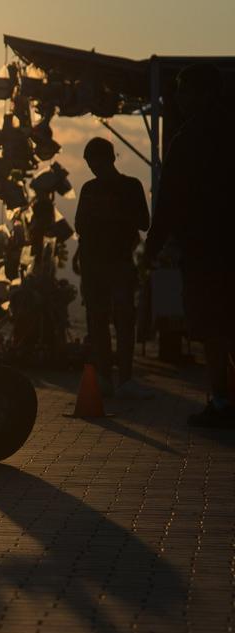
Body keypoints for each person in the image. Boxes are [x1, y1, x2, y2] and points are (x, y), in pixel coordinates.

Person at [145, 63, 235, 428]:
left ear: (200, 93)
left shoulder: (188, 138)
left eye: (183, 90)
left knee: (213, 329)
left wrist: (152, 248)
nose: (178, 98)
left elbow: (169, 200)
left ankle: (222, 402)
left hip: (205, 251)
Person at [73, 137, 151, 399]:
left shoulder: (128, 187)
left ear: (108, 159)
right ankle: (107, 376)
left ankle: (122, 377)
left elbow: (143, 221)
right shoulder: (91, 189)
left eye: (94, 161)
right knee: (100, 319)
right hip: (97, 262)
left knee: (120, 319)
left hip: (117, 261)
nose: (93, 167)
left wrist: (113, 212)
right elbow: (81, 227)